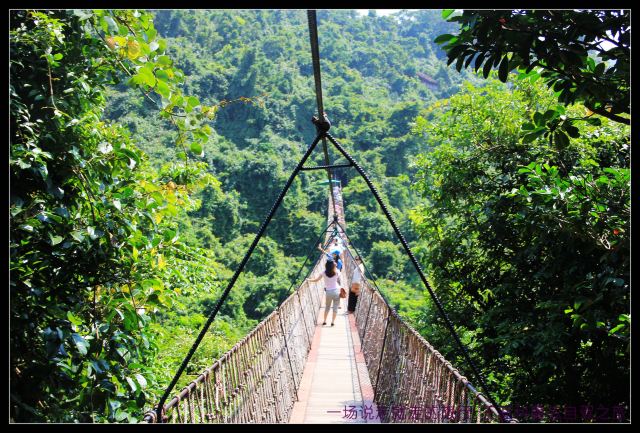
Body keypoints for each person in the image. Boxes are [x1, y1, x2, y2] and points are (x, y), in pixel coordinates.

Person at [306, 260, 341, 326]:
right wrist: (335, 266)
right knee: (335, 307)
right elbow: (338, 272)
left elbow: (316, 280)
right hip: (336, 291)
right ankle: (333, 322)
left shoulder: (323, 273)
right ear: (333, 265)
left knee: (327, 307)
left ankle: (324, 321)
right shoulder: (337, 272)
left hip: (328, 292)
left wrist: (309, 280)